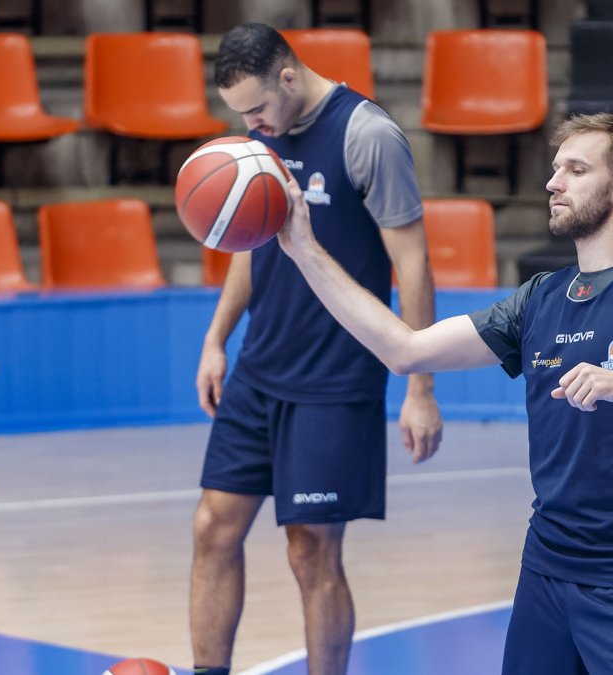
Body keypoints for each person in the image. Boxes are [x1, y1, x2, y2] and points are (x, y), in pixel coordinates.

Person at [275, 112, 613, 674]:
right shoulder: (541, 298)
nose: (554, 183)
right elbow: (404, 349)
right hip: (547, 567)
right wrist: (303, 249)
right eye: (556, 170)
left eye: (576, 170)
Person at [189, 22, 443, 675]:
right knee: (212, 527)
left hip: (336, 380)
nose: (252, 124)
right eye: (241, 115)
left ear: (289, 77)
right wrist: (217, 339)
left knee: (311, 552)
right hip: (259, 368)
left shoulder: (368, 136)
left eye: (256, 108)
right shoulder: (261, 137)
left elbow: (411, 263)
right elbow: (252, 247)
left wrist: (420, 385)